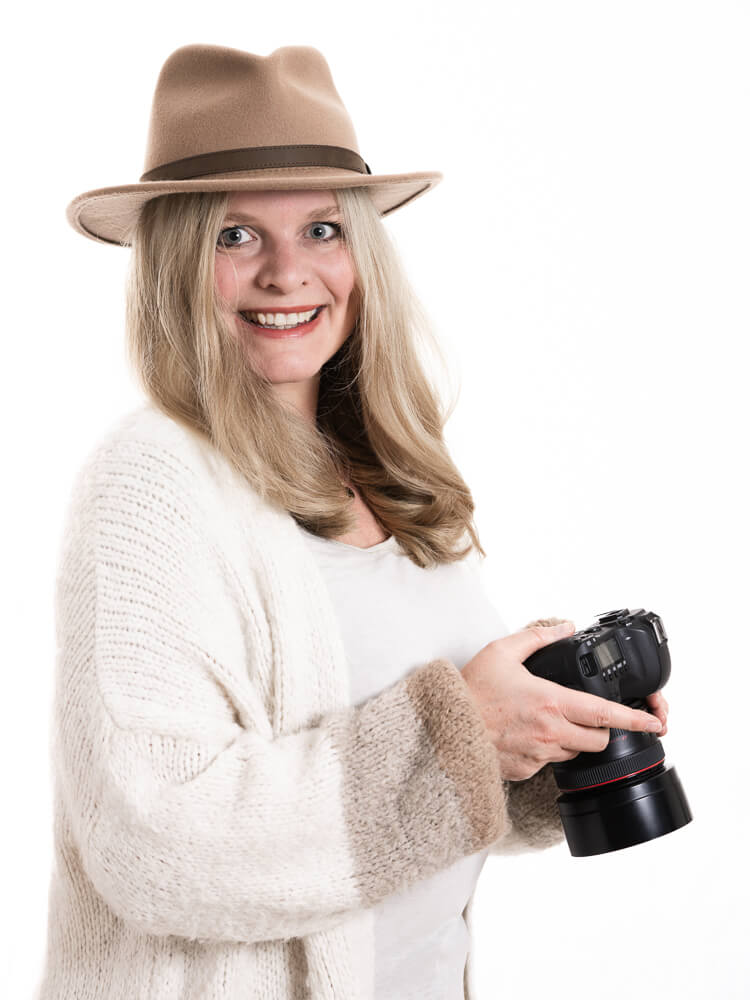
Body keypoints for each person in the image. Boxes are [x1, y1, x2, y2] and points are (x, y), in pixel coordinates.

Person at [37, 44, 669, 1000]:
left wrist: (549, 739)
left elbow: (428, 776)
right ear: (175, 261)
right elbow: (155, 842)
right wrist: (466, 730)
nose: (289, 273)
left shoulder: (393, 472)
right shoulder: (151, 487)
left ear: (363, 252)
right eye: (235, 237)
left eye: (325, 229)